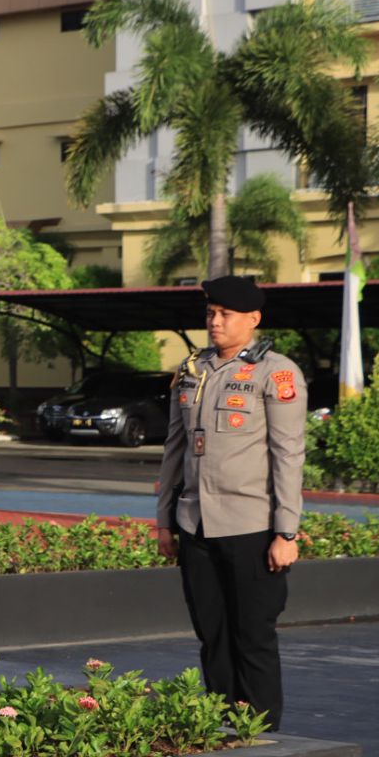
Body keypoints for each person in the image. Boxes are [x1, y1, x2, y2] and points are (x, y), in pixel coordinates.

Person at [157, 275, 306, 732]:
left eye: (225, 314)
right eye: (210, 312)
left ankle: (260, 732)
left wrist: (286, 531)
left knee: (252, 636)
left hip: (251, 526)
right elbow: (174, 449)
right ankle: (221, 725)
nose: (214, 321)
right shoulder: (191, 371)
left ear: (253, 319)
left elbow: (288, 454)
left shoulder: (275, 373)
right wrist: (165, 521)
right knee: (212, 634)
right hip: (196, 523)